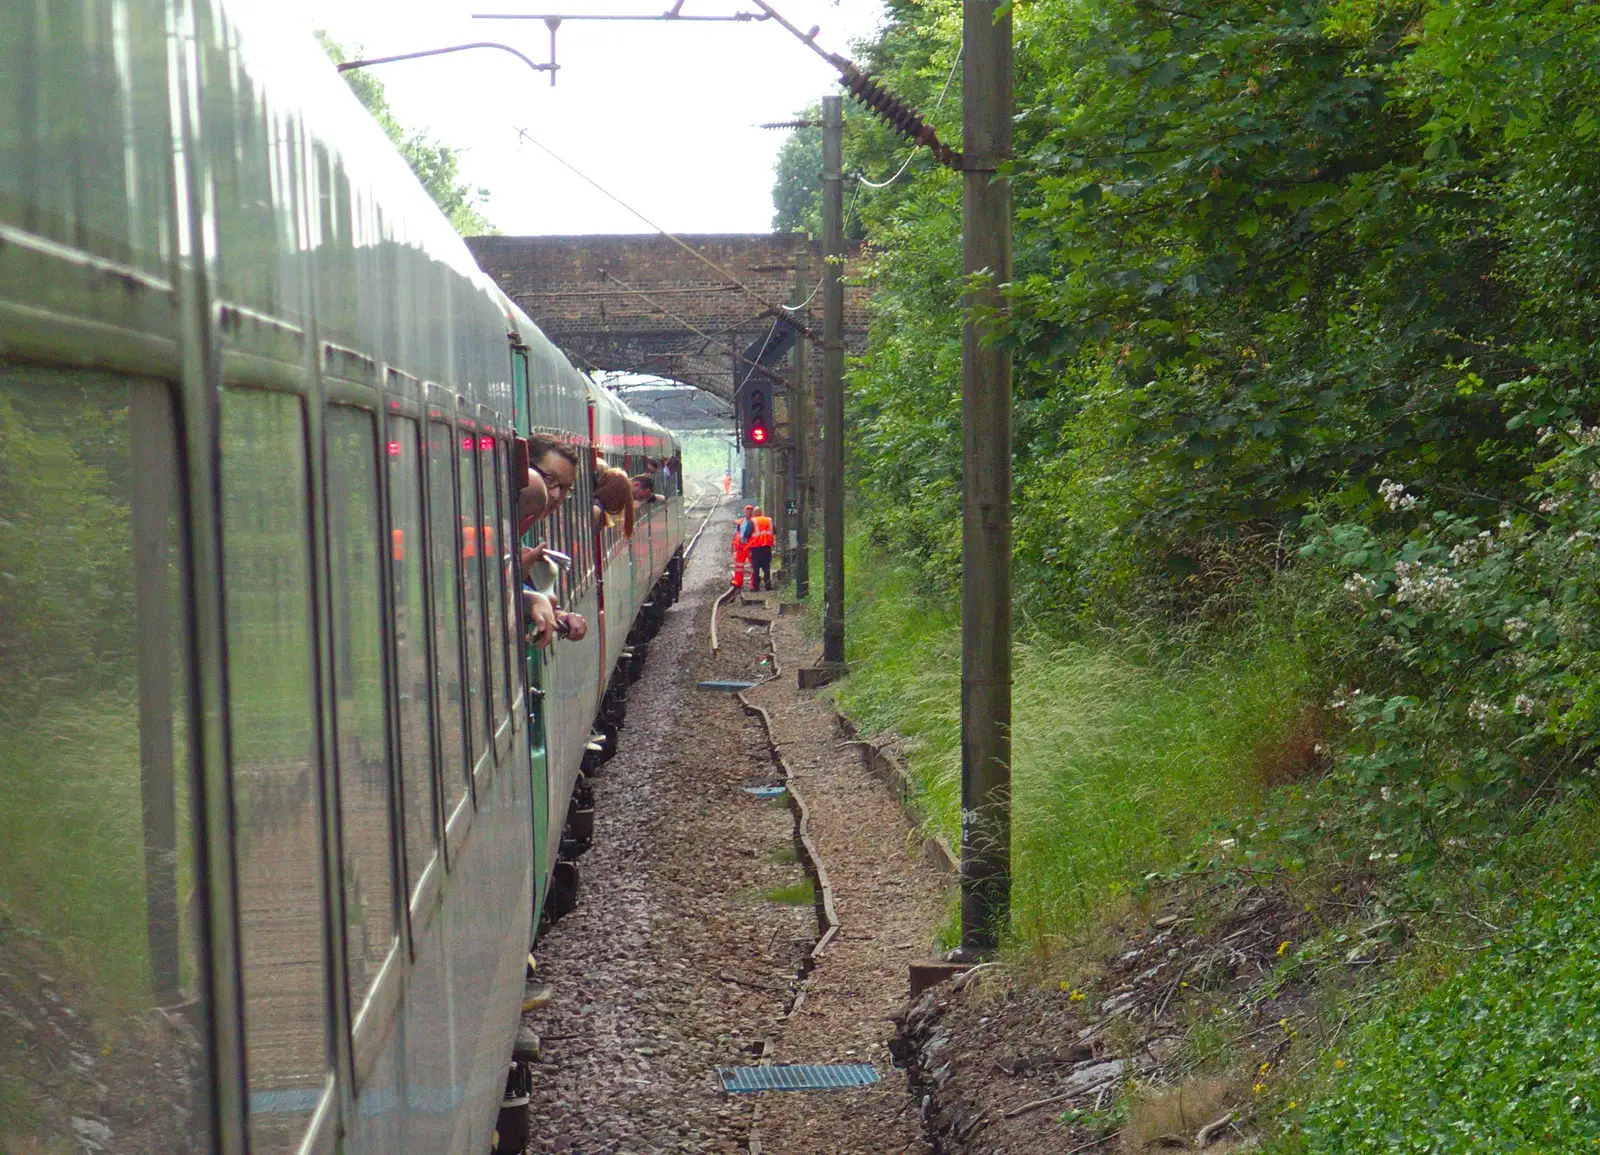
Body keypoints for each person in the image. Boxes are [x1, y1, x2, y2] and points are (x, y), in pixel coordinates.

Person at [517, 434, 587, 646]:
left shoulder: (526, 527)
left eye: (565, 488)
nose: (556, 495)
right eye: (550, 480)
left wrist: (556, 615)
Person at [748, 506, 775, 591]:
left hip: (755, 548)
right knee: (766, 567)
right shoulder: (768, 520)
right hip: (766, 547)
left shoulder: (752, 521)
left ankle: (756, 587)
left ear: (754, 513)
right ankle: (767, 585)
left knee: (756, 568)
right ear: (761, 512)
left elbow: (747, 533)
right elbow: (775, 530)